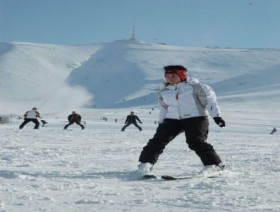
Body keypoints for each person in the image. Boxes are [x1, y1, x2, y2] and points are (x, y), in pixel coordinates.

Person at [137, 65, 226, 176]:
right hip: (172, 119)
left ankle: (214, 165)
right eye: (167, 76)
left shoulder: (197, 87)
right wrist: (161, 122)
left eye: (173, 75)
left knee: (195, 141)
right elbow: (164, 108)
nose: (170, 78)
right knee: (157, 141)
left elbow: (210, 102)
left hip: (195, 118)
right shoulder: (164, 90)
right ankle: (145, 164)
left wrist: (217, 116)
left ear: (182, 76)